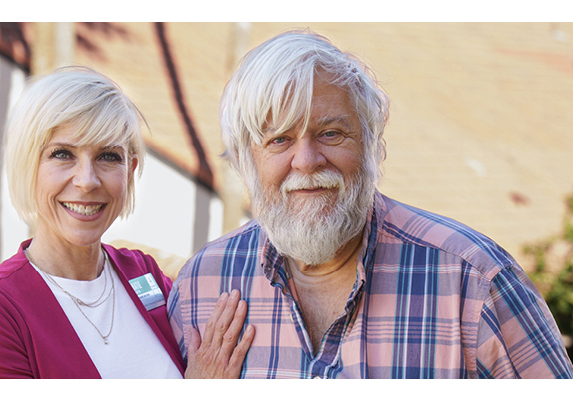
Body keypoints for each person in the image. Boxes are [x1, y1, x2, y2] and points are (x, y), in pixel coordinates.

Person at [168, 30, 573, 378]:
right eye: (279, 140)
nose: (307, 161)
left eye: (330, 133)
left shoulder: (473, 283)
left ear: (371, 144)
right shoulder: (200, 286)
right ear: (244, 160)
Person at [0, 67, 254, 379]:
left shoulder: (144, 273)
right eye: (62, 154)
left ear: (130, 169)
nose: (87, 181)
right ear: (27, 165)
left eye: (108, 156)